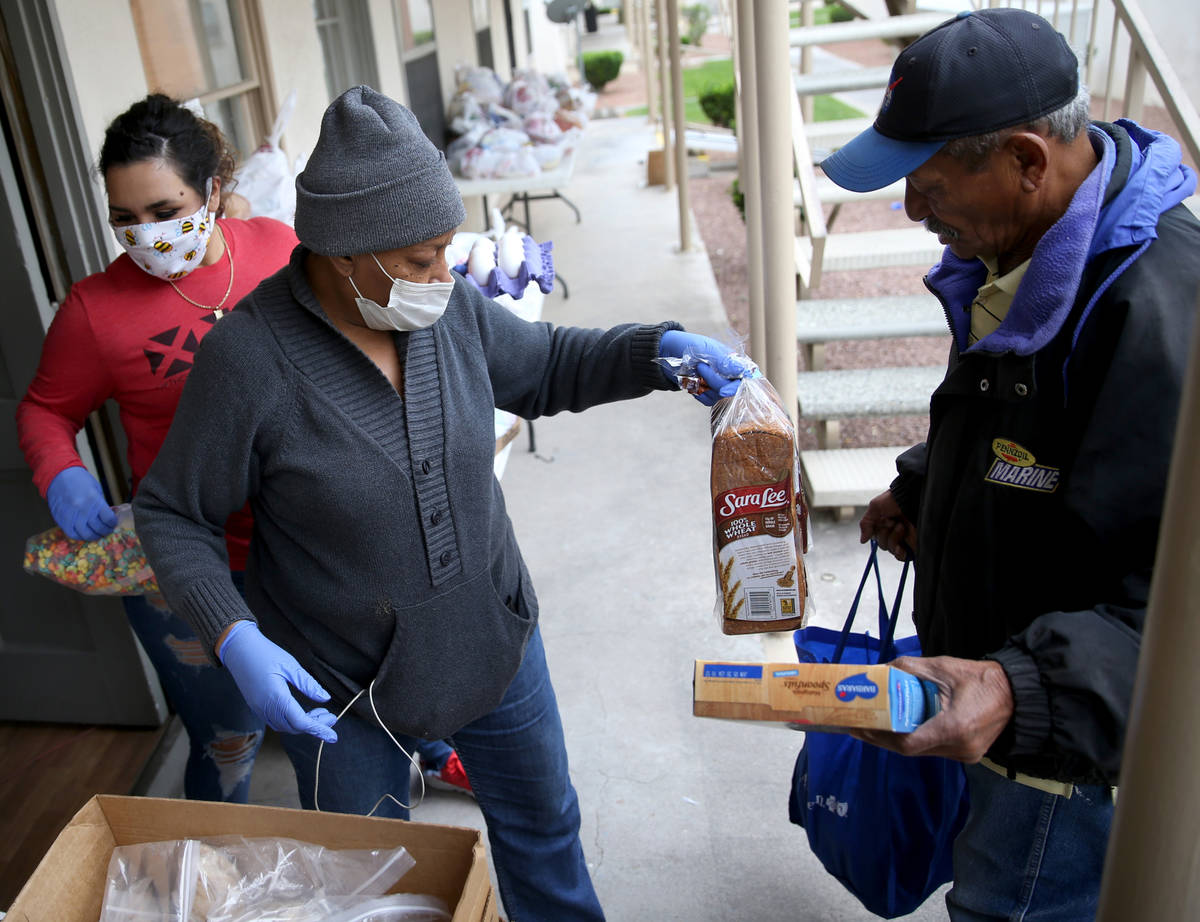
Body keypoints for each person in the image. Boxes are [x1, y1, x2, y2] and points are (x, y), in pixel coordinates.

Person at [132, 85, 747, 921]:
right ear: (346, 253)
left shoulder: (444, 310)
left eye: (446, 249)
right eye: (422, 257)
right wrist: (234, 634)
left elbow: (548, 368)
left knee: (544, 829)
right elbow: (172, 512)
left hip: (491, 639)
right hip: (341, 692)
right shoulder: (249, 360)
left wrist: (655, 353)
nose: (444, 273)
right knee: (371, 887)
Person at [820, 8, 1200, 920]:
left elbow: (1169, 609)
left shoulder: (1163, 320)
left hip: (1068, 766)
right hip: (1012, 722)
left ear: (1028, 161)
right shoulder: (1029, 249)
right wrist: (926, 487)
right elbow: (1021, 436)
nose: (912, 210)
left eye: (927, 181)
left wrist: (1019, 687)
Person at [15, 95, 300, 801]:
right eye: (125, 218)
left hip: (310, 549)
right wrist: (62, 473)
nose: (146, 235)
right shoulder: (93, 311)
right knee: (228, 742)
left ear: (210, 192)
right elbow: (47, 410)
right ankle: (207, 888)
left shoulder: (279, 249)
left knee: (348, 710)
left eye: (166, 210)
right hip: (196, 569)